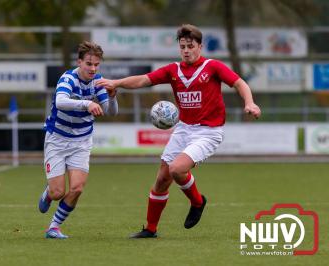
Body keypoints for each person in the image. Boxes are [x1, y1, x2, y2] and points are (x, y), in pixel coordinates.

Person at [96, 24, 261, 238]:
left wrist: (250, 103)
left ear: (200, 46)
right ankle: (150, 229)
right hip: (183, 129)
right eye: (182, 46)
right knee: (162, 179)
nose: (186, 50)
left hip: (208, 132)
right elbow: (144, 80)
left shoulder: (213, 67)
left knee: (176, 169)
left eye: (190, 46)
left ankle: (197, 201)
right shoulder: (173, 70)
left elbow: (240, 83)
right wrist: (115, 82)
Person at [38, 41, 118, 239]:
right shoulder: (68, 79)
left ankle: (53, 227)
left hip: (81, 142)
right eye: (89, 64)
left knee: (77, 188)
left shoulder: (97, 81)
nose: (93, 68)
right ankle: (49, 193)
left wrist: (113, 96)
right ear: (79, 62)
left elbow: (110, 112)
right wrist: (87, 104)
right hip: (57, 139)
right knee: (58, 192)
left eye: (96, 65)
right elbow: (60, 101)